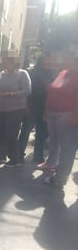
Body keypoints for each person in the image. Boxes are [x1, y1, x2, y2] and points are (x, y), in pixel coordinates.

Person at [41, 47, 78, 188]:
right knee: (54, 142)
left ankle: (60, 178)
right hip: (53, 113)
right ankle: (51, 165)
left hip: (68, 114)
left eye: (69, 58)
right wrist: (46, 110)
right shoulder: (63, 72)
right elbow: (52, 91)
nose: (66, 60)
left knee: (67, 147)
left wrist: (75, 116)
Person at [0, 53, 31, 167]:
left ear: (13, 62)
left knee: (11, 134)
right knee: (0, 133)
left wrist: (11, 94)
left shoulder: (22, 74)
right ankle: (1, 156)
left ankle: (15, 159)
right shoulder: (1, 74)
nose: (3, 63)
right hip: (0, 108)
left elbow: (27, 90)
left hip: (15, 109)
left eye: (5, 61)